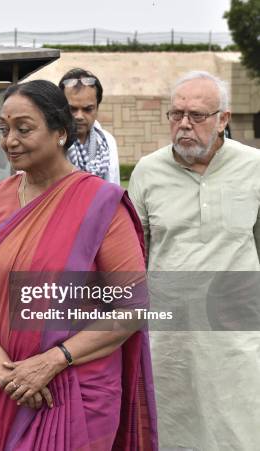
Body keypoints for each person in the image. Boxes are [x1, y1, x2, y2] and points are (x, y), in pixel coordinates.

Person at [0, 79, 157, 450]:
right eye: (4, 129)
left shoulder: (101, 205)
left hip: (77, 389)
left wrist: (52, 361)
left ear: (60, 132)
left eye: (23, 129)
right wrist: (0, 366)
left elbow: (131, 307)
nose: (10, 140)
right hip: (8, 388)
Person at [128, 71, 260, 450]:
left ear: (223, 119)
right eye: (176, 114)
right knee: (172, 428)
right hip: (171, 336)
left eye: (197, 116)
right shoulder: (147, 172)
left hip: (237, 333)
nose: (184, 124)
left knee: (239, 429)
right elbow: (135, 255)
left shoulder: (254, 167)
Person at [58, 68, 120, 184]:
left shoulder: (108, 142)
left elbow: (113, 187)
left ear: (97, 108)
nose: (79, 116)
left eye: (88, 109)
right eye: (72, 109)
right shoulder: (52, 141)